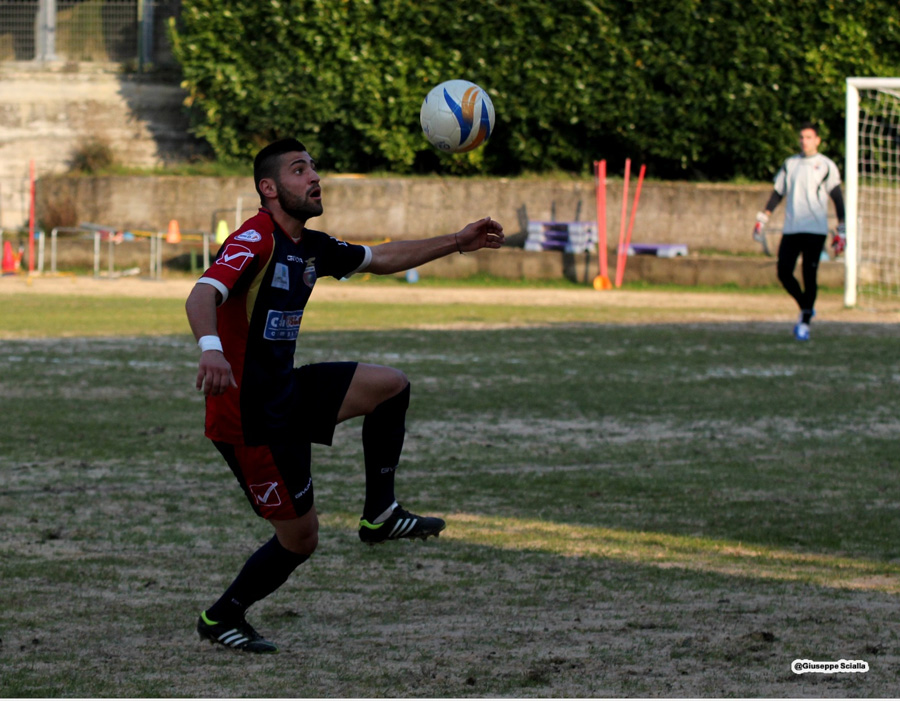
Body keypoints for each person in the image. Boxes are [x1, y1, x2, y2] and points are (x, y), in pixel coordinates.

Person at [185, 138, 505, 653]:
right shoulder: (254, 239)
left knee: (390, 386)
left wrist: (458, 241)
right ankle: (221, 616)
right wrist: (211, 349)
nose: (314, 177)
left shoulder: (310, 246)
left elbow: (382, 256)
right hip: (250, 417)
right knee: (300, 540)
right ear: (269, 188)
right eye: (298, 169)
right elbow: (203, 292)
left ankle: (381, 514)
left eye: (314, 166)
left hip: (286, 390)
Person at [753, 122, 845, 341]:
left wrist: (842, 228)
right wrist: (763, 217)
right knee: (783, 272)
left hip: (815, 229)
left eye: (809, 137)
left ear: (817, 140)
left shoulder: (826, 165)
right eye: (802, 137)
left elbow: (837, 197)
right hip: (792, 228)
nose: (804, 141)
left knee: (808, 275)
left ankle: (804, 324)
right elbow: (778, 192)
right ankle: (806, 307)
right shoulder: (790, 164)